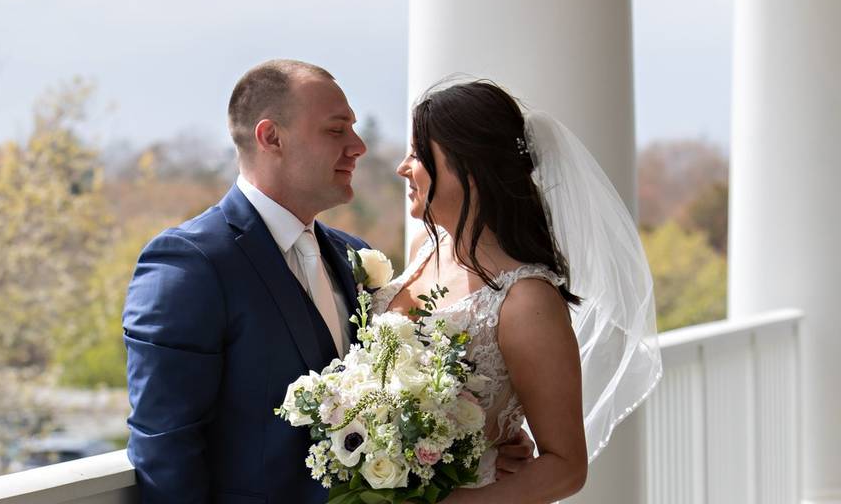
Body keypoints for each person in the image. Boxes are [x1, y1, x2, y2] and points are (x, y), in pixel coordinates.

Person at [123, 61, 537, 503]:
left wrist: (477, 452)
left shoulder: (352, 256)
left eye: (354, 130)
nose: (358, 147)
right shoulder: (190, 264)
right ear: (271, 138)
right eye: (336, 130)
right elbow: (165, 449)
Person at [374, 78, 662, 503]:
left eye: (417, 154)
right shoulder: (424, 247)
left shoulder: (527, 300)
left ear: (467, 168)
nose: (403, 167)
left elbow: (565, 466)